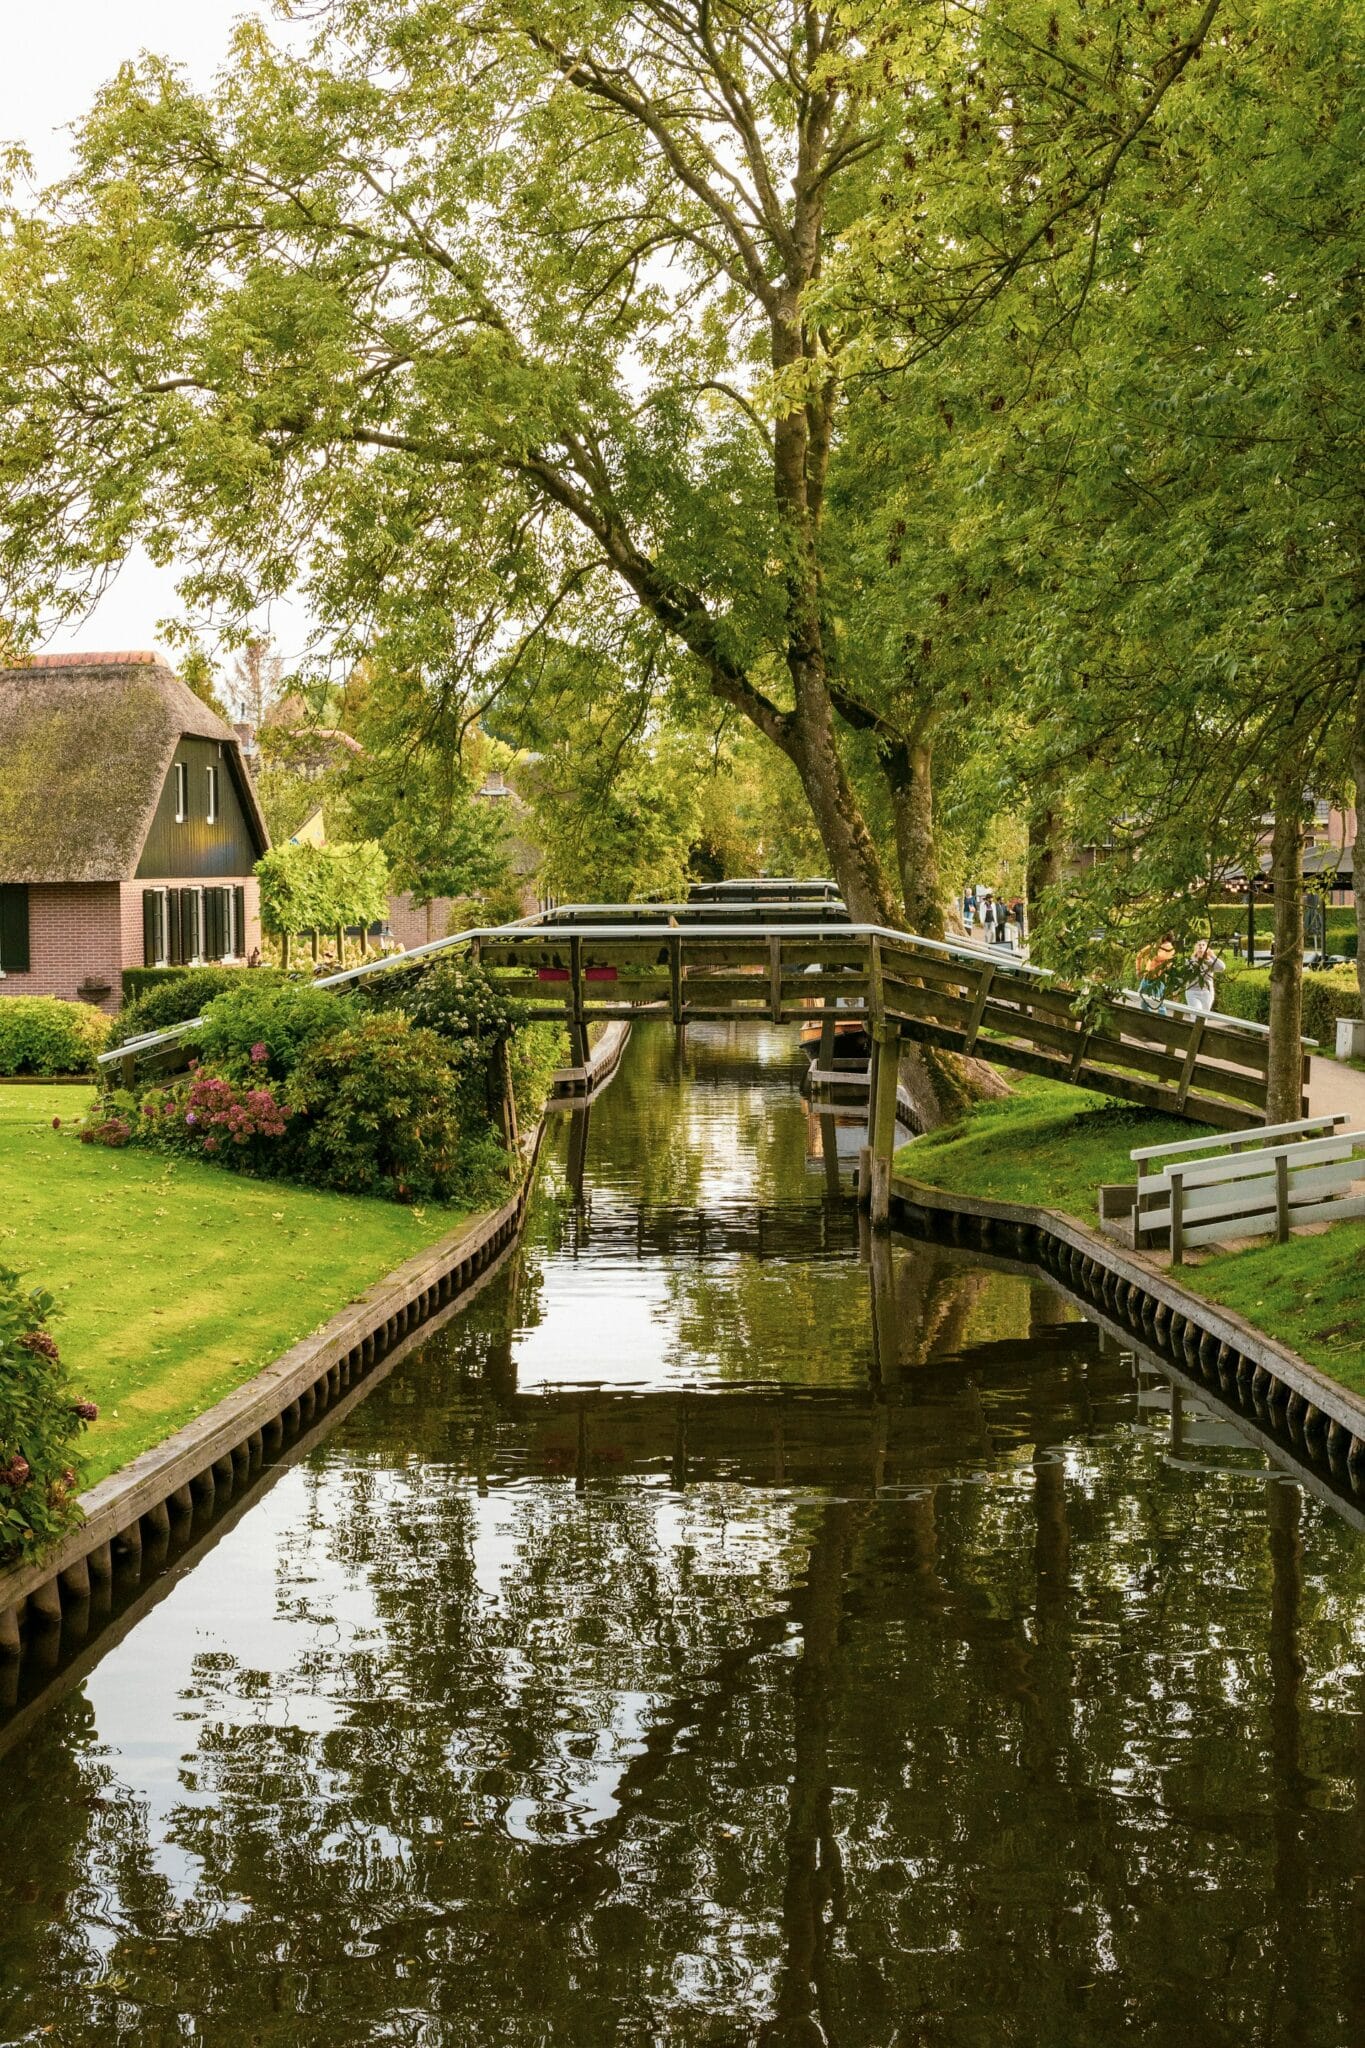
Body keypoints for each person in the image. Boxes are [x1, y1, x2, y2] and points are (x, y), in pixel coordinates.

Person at [1136, 932, 1177, 1013]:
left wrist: (1154, 949)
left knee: (1158, 1004)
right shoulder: (1155, 945)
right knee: (1142, 1001)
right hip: (1146, 977)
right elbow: (1139, 955)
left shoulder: (1171, 950)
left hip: (1158, 980)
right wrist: (1138, 969)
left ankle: (1163, 1021)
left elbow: (1158, 957)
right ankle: (1148, 1019)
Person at [1183, 936, 1225, 1014]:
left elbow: (1222, 967)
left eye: (1203, 945)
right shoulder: (1190, 961)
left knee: (1203, 1017)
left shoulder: (1210, 962)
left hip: (1207, 993)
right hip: (1192, 992)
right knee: (1195, 1015)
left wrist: (1212, 956)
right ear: (1195, 948)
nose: (1201, 946)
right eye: (1199, 945)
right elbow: (1184, 975)